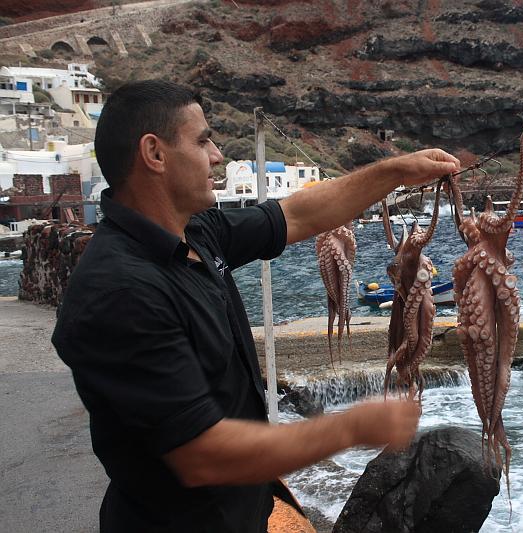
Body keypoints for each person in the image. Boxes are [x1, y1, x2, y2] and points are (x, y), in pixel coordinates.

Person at [51, 80, 461, 532]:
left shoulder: (197, 232)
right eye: (203, 140)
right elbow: (202, 455)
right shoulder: (118, 293)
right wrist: (349, 428)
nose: (217, 155)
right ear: (155, 153)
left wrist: (396, 171)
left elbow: (298, 214)